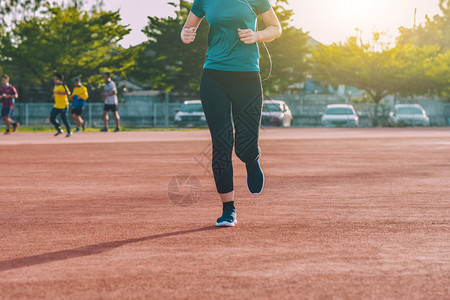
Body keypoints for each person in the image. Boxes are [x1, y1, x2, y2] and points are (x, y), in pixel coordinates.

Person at [181, 0, 282, 227]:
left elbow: (276, 28)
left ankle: (251, 158)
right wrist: (185, 35)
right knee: (222, 141)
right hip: (213, 75)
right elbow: (188, 28)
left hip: (247, 77)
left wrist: (256, 35)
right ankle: (228, 209)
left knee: (245, 145)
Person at [50, 73, 72, 137]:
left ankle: (69, 131)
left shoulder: (63, 85)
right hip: (57, 105)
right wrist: (54, 95)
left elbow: (68, 93)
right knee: (52, 117)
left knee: (64, 119)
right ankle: (59, 129)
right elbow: (55, 93)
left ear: (59, 80)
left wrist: (59, 93)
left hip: (63, 105)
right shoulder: (55, 86)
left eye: (56, 79)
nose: (55, 80)